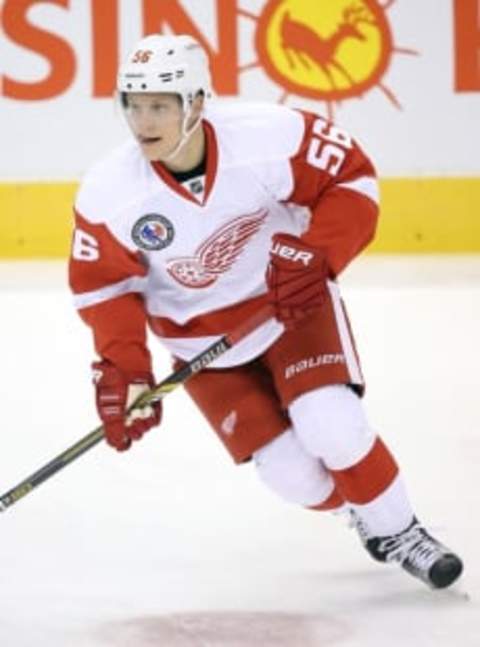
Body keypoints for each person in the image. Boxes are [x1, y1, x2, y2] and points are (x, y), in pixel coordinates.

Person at [69, 33, 463, 590]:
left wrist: (316, 253)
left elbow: (350, 177)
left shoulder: (267, 136)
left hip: (288, 305)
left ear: (197, 103)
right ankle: (360, 511)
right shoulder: (109, 192)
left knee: (332, 424)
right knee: (291, 477)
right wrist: (126, 369)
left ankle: (401, 531)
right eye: (133, 105)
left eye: (159, 105)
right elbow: (105, 289)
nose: (143, 121)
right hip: (198, 343)